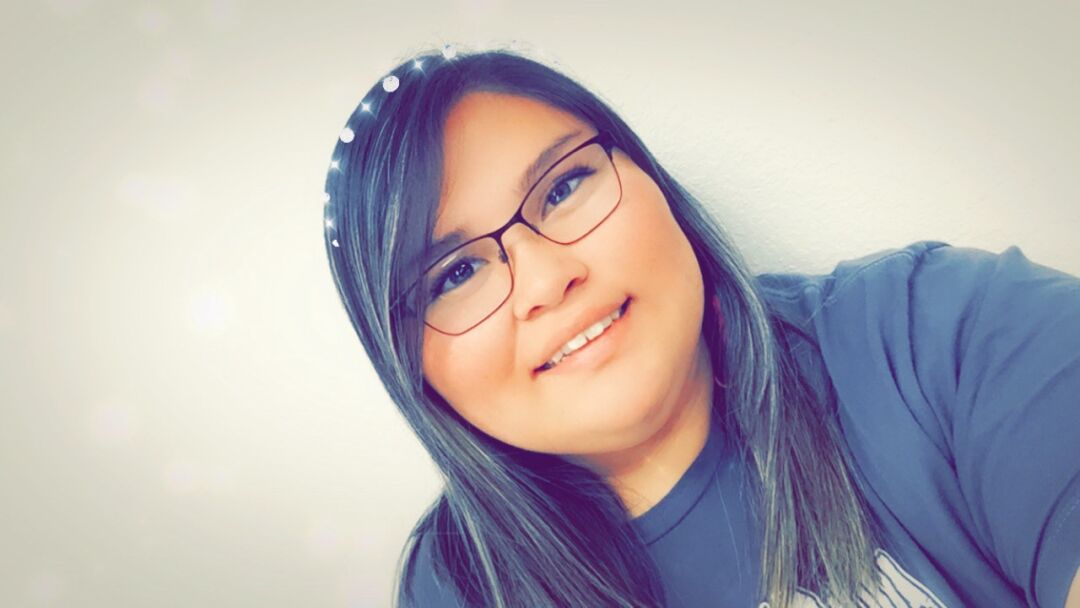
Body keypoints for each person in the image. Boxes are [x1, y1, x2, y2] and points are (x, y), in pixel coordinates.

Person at [321, 46, 1080, 607]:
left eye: (565, 186)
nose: (548, 280)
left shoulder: (932, 332)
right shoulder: (458, 583)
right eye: (455, 275)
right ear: (414, 373)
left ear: (654, 182)